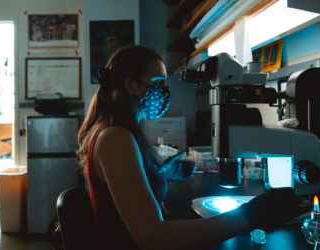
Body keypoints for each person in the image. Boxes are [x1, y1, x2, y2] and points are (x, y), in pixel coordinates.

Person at [77, 45, 308, 250]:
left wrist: (163, 171)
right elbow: (154, 238)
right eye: (158, 83)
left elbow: (129, 185)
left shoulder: (123, 132)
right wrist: (251, 215)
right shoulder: (115, 138)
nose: (164, 92)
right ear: (131, 85)